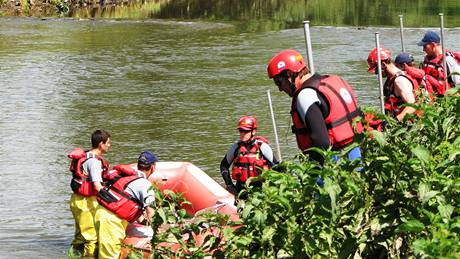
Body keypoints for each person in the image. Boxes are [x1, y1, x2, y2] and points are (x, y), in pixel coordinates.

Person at [267, 49, 362, 165]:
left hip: (335, 162)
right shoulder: (334, 81)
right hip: (357, 155)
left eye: (278, 82)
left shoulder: (305, 95)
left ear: (289, 74)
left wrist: (311, 175)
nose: (280, 89)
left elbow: (322, 143)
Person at [95, 151, 158, 259]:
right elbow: (151, 212)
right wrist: (157, 232)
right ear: (152, 167)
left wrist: (143, 221)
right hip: (111, 221)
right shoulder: (145, 184)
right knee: (110, 256)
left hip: (100, 213)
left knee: (102, 251)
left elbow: (128, 203)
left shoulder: (127, 176)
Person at [68, 130, 111, 257]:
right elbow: (97, 186)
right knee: (91, 237)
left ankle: (74, 255)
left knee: (80, 235)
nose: (109, 145)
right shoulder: (94, 162)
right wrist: (112, 199)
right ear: (101, 144)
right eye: (108, 143)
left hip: (76, 199)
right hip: (87, 202)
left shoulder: (86, 155)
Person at [220, 116, 277, 196]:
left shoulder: (262, 147)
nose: (242, 133)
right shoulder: (236, 148)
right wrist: (229, 184)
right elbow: (224, 165)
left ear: (253, 131)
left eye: (245, 131)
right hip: (241, 190)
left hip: (261, 190)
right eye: (241, 131)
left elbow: (277, 166)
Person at [367, 48, 420, 121]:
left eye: (376, 69)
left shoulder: (400, 80)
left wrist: (395, 121)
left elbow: (412, 106)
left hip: (405, 126)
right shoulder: (392, 78)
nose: (376, 73)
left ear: (383, 65)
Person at [418, 30, 460, 95]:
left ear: (433, 45)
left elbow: (458, 83)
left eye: (425, 46)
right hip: (431, 96)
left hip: (445, 98)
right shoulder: (427, 59)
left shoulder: (448, 60)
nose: (423, 49)